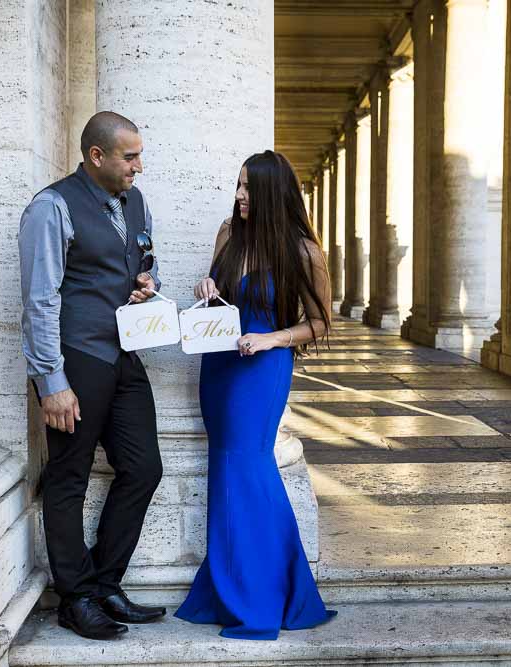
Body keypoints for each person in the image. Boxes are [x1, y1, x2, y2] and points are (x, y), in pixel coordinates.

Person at [174, 150, 337, 639]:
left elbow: (320, 324)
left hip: (262, 369)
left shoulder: (304, 252)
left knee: (249, 468)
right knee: (226, 470)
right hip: (220, 364)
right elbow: (220, 296)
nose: (240, 194)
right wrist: (207, 287)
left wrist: (270, 338)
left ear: (270, 193)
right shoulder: (228, 233)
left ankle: (265, 594)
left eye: (248, 187)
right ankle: (230, 585)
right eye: (238, 184)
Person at [18, 111, 166, 640]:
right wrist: (50, 381)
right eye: (130, 157)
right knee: (68, 476)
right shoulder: (50, 207)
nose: (139, 167)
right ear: (96, 156)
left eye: (139, 155)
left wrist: (146, 282)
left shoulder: (136, 200)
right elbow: (39, 300)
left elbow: (140, 254)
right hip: (75, 358)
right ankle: (74, 598)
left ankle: (104, 582)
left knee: (144, 467)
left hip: (124, 354)